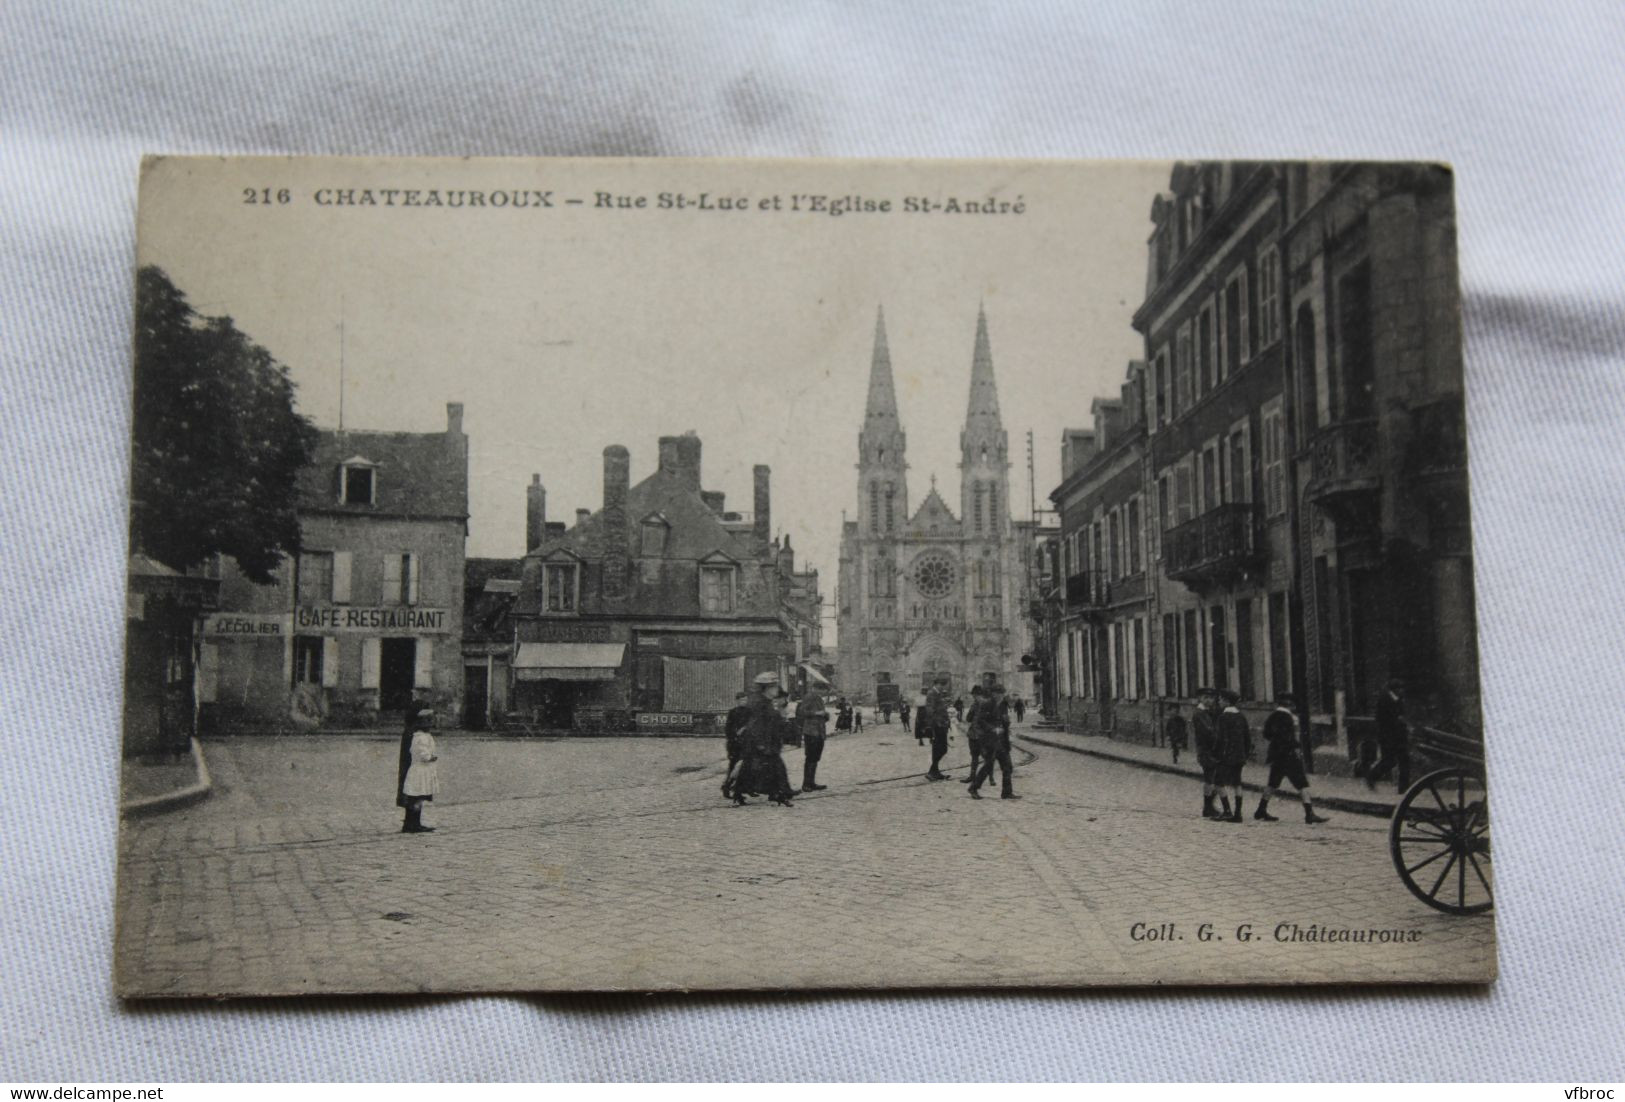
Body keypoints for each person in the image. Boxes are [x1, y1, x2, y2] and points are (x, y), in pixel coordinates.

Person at [1255, 693, 1329, 824]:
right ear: (1290, 704)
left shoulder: (1273, 716)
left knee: (1272, 783)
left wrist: (1276, 744)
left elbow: (1267, 733)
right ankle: (1309, 814)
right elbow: (1286, 737)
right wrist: (1294, 746)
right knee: (1302, 784)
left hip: (1277, 756)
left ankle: (1261, 809)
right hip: (1288, 756)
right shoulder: (1287, 717)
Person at [732, 673, 796, 807]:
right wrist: (760, 743)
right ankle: (780, 793)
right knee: (771, 767)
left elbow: (773, 721)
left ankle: (739, 791)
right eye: (774, 687)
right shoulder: (759, 703)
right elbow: (755, 725)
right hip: (758, 742)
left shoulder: (768, 702)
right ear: (766, 688)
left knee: (757, 767)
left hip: (768, 741)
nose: (777, 689)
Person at [967, 679, 1016, 799]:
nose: (1001, 696)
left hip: (1002, 740)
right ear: (993, 693)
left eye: (1002, 693)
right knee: (988, 765)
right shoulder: (987, 704)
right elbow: (980, 721)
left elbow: (1004, 719)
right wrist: (992, 728)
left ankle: (1007, 792)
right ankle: (973, 787)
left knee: (1008, 766)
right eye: (998, 693)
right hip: (989, 740)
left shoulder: (1003, 705)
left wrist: (1007, 727)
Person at [1211, 688, 1252, 823]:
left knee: (1218, 782)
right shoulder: (1241, 716)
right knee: (1237, 783)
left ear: (1227, 702)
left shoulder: (1223, 717)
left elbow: (1220, 738)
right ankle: (1238, 813)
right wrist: (1245, 754)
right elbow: (1247, 738)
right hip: (1239, 756)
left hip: (1226, 755)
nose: (1219, 701)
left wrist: (1215, 753)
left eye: (1221, 699)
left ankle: (1227, 811)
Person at [398, 707, 440, 834]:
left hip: (424, 771)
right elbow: (421, 752)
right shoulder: (419, 737)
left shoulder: (425, 736)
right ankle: (412, 824)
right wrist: (429, 757)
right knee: (416, 797)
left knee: (419, 798)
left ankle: (414, 823)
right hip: (419, 772)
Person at [1367, 678, 1412, 792]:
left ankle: (1404, 789)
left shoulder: (1399, 699)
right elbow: (1382, 720)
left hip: (1400, 737)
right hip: (1388, 737)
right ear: (1395, 689)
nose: (1402, 691)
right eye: (1400, 689)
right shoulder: (1384, 700)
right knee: (1389, 761)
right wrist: (1397, 721)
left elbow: (1400, 715)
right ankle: (1372, 776)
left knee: (1404, 760)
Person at [1192, 688, 1226, 819]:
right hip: (1206, 750)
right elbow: (1208, 732)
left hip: (1211, 749)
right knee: (1210, 779)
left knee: (1212, 778)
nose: (1208, 700)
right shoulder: (1199, 713)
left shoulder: (1209, 712)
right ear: (1200, 698)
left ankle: (1208, 806)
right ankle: (1208, 807)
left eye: (1211, 698)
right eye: (1205, 697)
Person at [798, 685, 830, 792]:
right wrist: (817, 713)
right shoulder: (809, 697)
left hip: (819, 732)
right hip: (811, 732)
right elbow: (801, 712)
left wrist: (826, 715)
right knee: (810, 757)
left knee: (815, 758)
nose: (824, 692)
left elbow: (821, 715)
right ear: (816, 688)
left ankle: (811, 782)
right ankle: (806, 784)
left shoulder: (819, 698)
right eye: (823, 690)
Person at [722, 690, 752, 798]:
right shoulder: (733, 712)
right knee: (734, 766)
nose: (744, 702)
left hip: (745, 742)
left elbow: (752, 725)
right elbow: (728, 729)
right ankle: (727, 786)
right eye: (742, 700)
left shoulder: (749, 712)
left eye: (745, 700)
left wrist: (745, 729)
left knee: (744, 766)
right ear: (737, 701)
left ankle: (742, 788)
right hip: (734, 744)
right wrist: (735, 736)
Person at [923, 680, 952, 780]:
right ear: (936, 684)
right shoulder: (932, 693)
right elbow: (930, 710)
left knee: (940, 748)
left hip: (941, 725)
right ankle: (933, 772)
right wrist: (937, 722)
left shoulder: (937, 694)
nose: (942, 688)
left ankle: (934, 771)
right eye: (941, 685)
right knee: (940, 748)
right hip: (937, 725)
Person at [960, 685, 986, 784]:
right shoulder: (977, 704)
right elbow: (968, 719)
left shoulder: (982, 705)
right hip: (975, 734)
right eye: (975, 696)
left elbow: (968, 718)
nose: (975, 697)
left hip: (980, 735)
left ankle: (980, 777)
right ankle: (972, 776)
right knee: (975, 756)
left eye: (975, 695)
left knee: (984, 757)